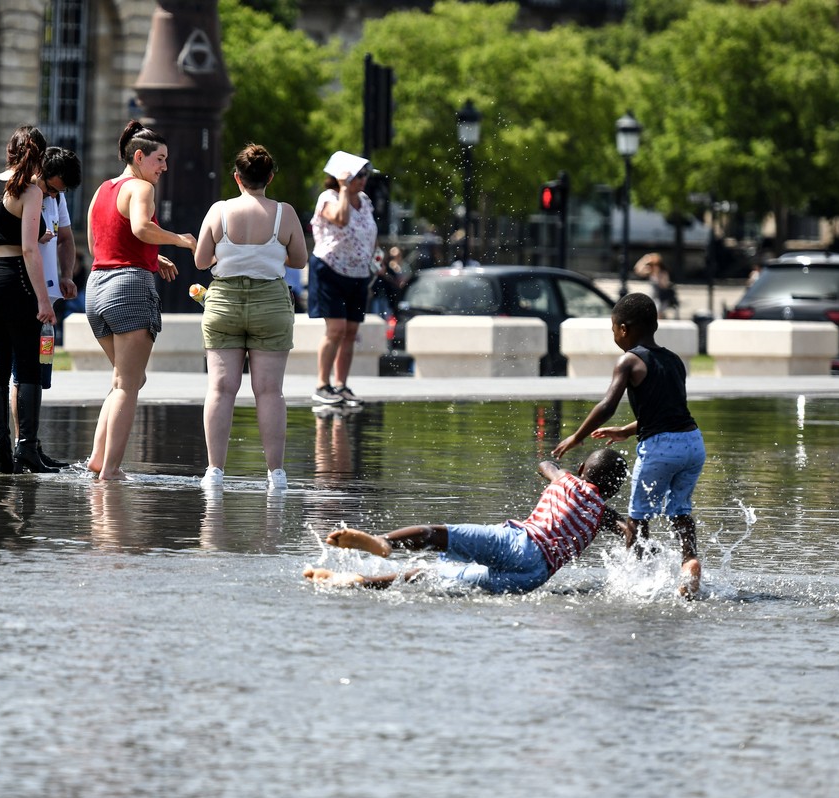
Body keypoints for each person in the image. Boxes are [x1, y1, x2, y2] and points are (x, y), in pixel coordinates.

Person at [304, 449, 633, 592]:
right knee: (436, 578)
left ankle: (384, 542)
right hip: (535, 576)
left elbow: (545, 464)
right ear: (613, 491)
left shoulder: (567, 481)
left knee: (438, 535)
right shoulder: (601, 514)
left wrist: (559, 466)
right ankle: (355, 582)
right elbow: (627, 530)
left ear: (581, 471)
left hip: (521, 542)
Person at [552, 293, 706, 596]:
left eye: (613, 330)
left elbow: (607, 405)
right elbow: (670, 413)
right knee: (679, 510)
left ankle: (635, 581)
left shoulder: (629, 360)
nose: (614, 336)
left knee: (638, 517)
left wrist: (577, 436)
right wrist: (627, 428)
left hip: (660, 448)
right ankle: (689, 561)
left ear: (624, 328)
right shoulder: (674, 361)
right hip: (693, 444)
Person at [84, 120, 196, 480]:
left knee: (122, 380)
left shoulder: (102, 189)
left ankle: (98, 460)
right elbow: (139, 228)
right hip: (129, 288)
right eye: (160, 159)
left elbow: (98, 245)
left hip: (97, 288)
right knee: (128, 385)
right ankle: (112, 470)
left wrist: (150, 256)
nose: (164, 167)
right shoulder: (142, 188)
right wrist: (179, 240)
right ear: (139, 157)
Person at [193, 144, 308, 492]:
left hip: (224, 302)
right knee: (270, 391)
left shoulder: (220, 211)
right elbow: (300, 260)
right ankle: (276, 474)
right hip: (271, 304)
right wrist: (270, 253)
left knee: (221, 388)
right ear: (270, 177)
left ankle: (215, 472)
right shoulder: (283, 214)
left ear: (237, 178)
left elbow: (201, 261)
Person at [0, 140, 82, 470]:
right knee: (29, 368)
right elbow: (29, 250)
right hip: (15, 280)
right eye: (52, 188)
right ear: (39, 162)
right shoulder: (32, 192)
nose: (52, 195)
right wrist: (44, 300)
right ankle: (26, 448)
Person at [308, 150, 378, 407]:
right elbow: (340, 219)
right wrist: (344, 189)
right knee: (335, 330)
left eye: (365, 175)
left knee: (351, 332)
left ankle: (341, 385)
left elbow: (370, 231)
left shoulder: (365, 200)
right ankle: (322, 384)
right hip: (331, 269)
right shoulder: (329, 198)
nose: (363, 180)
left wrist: (376, 256)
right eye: (358, 175)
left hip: (358, 273)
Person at [634, 252, 677, 319]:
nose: (653, 266)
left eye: (655, 264)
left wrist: (658, 276)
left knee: (658, 311)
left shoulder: (663, 273)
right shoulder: (650, 271)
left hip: (662, 297)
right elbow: (637, 270)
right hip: (652, 295)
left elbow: (664, 286)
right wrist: (645, 259)